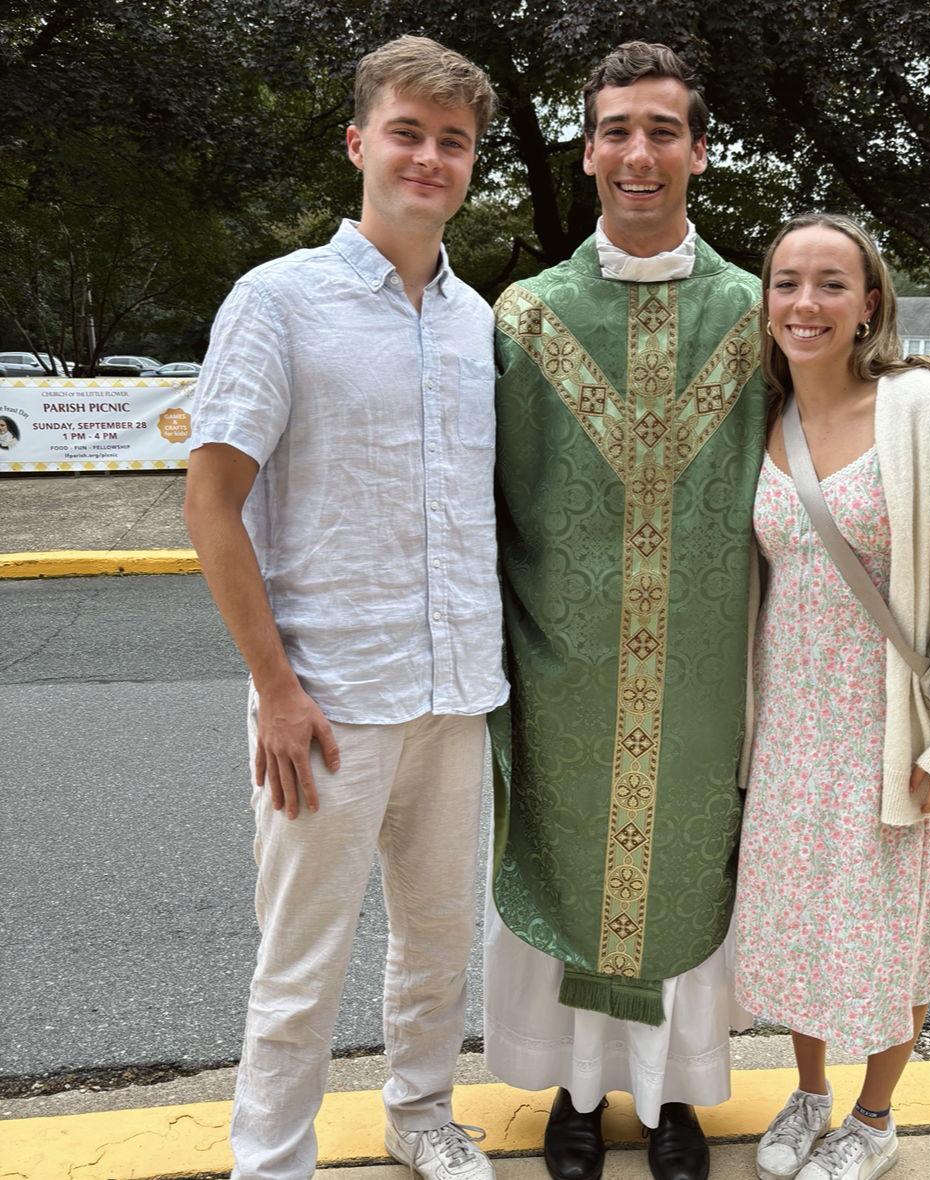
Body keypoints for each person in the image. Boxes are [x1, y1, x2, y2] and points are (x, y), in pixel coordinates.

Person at [183, 36, 506, 1180]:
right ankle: (271, 1159)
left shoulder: (482, 324)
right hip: (327, 700)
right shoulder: (280, 302)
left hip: (458, 691)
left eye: (452, 141)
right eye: (407, 132)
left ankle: (421, 1114)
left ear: (473, 164)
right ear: (360, 141)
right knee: (302, 957)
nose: (428, 156)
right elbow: (213, 501)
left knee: (436, 941)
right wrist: (273, 688)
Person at [486, 41, 764, 1180]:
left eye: (662, 129)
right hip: (563, 666)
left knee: (690, 876)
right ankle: (575, 1090)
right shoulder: (526, 318)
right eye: (616, 130)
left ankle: (677, 1100)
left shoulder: (758, 312)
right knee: (567, 873)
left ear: (699, 150)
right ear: (589, 149)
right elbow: (476, 495)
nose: (638, 153)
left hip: (706, 669)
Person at [734, 212, 930, 1180]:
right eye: (786, 283)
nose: (805, 303)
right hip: (787, 730)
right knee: (802, 924)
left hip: (890, 726)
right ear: (765, 302)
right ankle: (809, 1092)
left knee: (893, 931)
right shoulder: (760, 418)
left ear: (870, 304)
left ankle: (876, 1116)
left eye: (830, 284)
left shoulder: (923, 409)